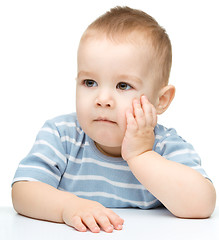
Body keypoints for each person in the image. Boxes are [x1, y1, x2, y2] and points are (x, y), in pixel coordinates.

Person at [12, 6, 216, 233]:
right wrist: (67, 206)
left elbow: (202, 204)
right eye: (90, 82)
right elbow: (23, 190)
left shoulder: (163, 146)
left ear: (161, 100)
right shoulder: (62, 135)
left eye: (123, 86)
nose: (102, 99)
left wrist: (141, 155)